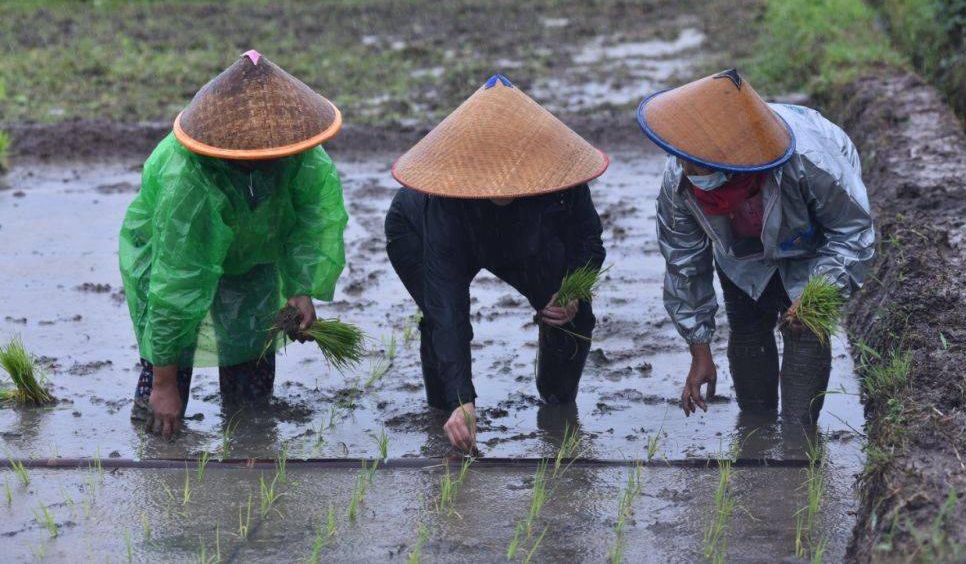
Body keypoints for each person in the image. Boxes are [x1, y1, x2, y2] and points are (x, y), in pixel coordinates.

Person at [120, 50, 349, 440]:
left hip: (255, 257)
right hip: (172, 258)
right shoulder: (189, 180)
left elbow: (315, 221)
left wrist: (299, 286)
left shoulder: (302, 158)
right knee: (166, 390)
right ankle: (156, 432)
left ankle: (251, 447)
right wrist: (163, 383)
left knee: (252, 382)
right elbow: (177, 284)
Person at [385, 74, 609, 451]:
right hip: (418, 231)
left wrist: (574, 290)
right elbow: (447, 307)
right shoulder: (445, 203)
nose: (501, 186)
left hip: (523, 238)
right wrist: (462, 399)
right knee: (440, 321)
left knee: (573, 313)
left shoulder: (560, 180)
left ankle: (558, 403)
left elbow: (589, 242)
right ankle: (449, 414)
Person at [636, 69, 874, 423]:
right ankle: (756, 427)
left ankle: (799, 434)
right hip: (741, 246)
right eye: (686, 161)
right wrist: (699, 349)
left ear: (734, 162)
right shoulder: (679, 182)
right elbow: (684, 262)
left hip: (813, 238)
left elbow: (851, 232)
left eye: (700, 165)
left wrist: (816, 294)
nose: (686, 168)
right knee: (748, 323)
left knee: (805, 328)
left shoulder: (810, 161)